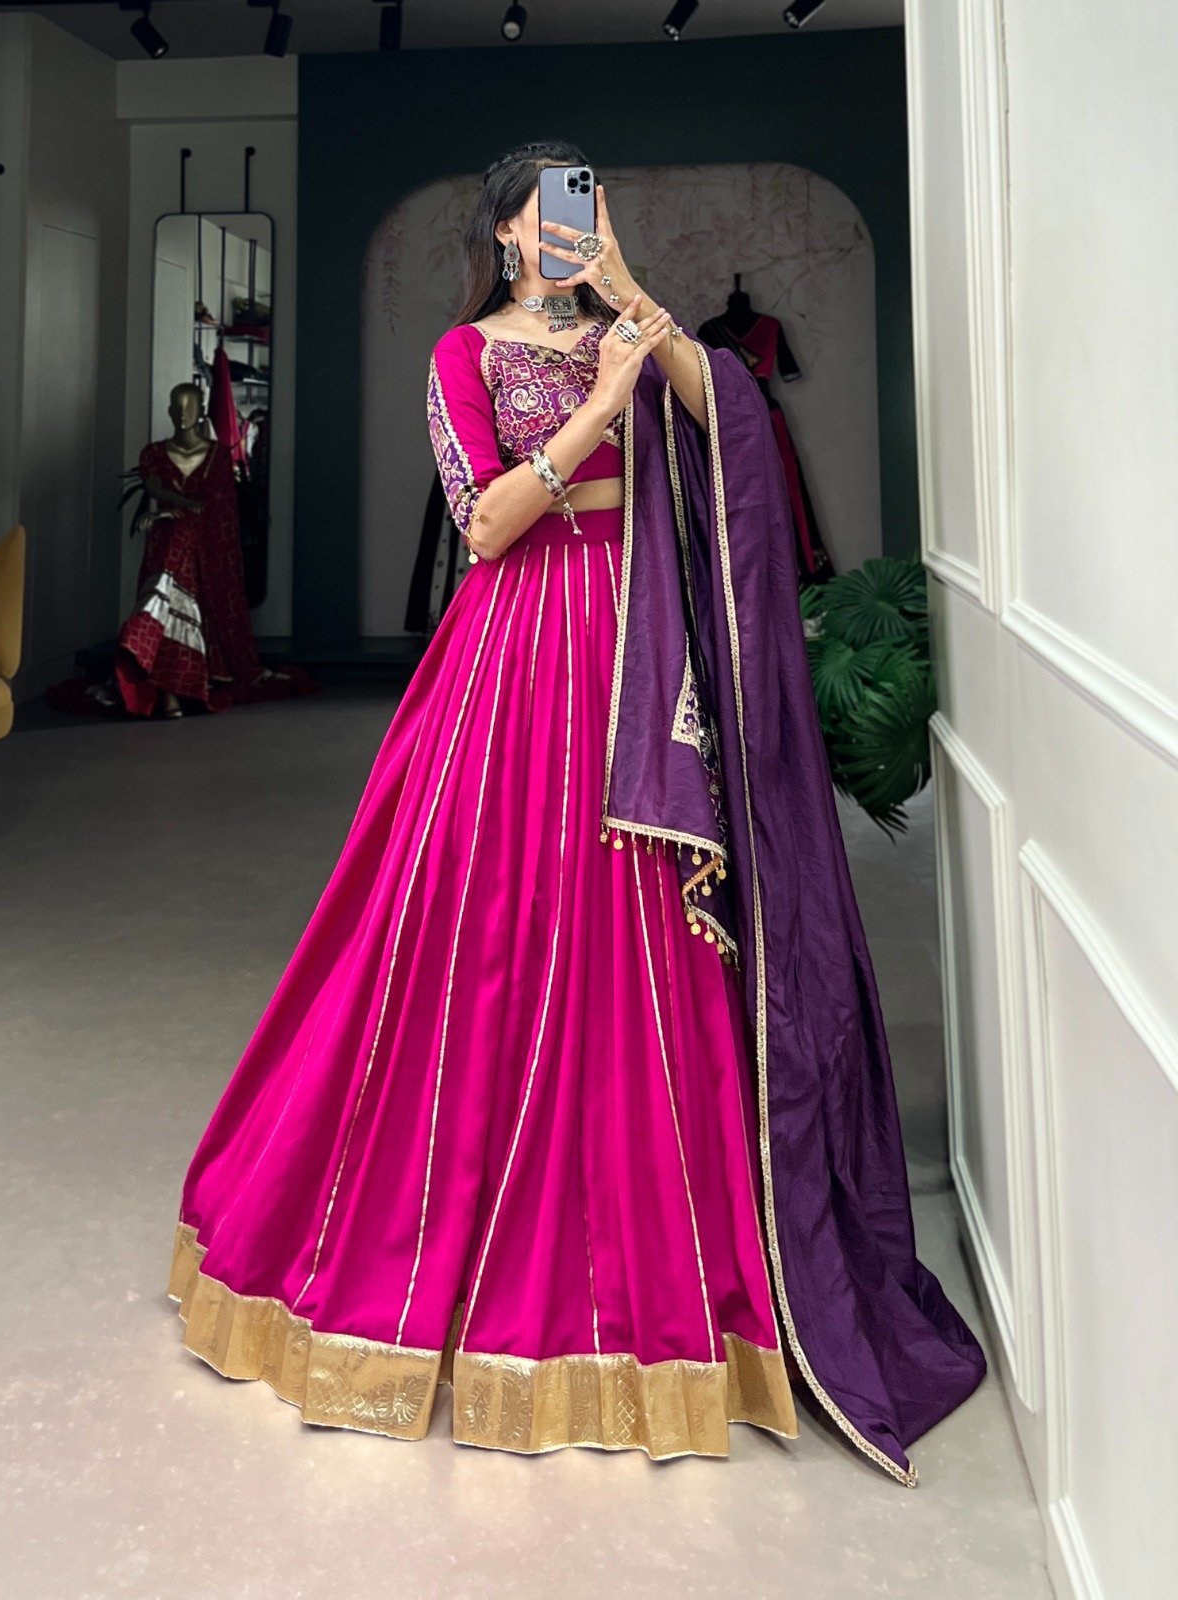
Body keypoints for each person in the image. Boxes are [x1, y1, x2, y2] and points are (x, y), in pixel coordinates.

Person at [166, 141, 985, 1483]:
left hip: (645, 649)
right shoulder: (464, 353)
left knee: (651, 934)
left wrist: (632, 304)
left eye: (585, 210)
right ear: (503, 234)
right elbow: (483, 526)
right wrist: (598, 408)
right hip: (519, 655)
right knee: (484, 929)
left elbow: (728, 425)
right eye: (547, 216)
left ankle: (692, 1263)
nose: (566, 232)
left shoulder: (634, 331)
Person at [112, 383, 277, 718]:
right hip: (169, 544)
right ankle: (165, 686)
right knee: (167, 596)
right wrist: (174, 510)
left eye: (189, 406)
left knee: (173, 599)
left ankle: (170, 691)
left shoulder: (217, 456)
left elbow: (217, 507)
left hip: (205, 546)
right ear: (169, 411)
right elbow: (155, 487)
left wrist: (175, 510)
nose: (182, 413)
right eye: (177, 406)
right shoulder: (154, 454)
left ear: (201, 410)